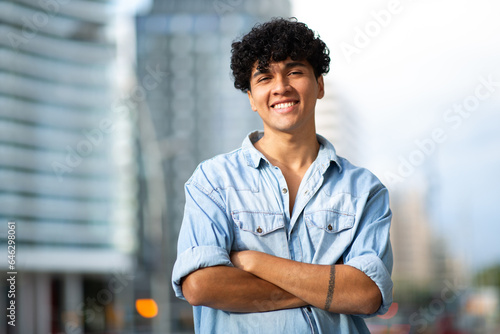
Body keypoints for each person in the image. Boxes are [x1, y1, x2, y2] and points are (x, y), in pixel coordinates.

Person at [172, 17, 393, 333]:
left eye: (295, 72)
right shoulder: (212, 181)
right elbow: (201, 285)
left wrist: (254, 262)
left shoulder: (363, 189)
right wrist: (329, 290)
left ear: (319, 85)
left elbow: (366, 293)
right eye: (264, 78)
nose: (281, 87)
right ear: (251, 97)